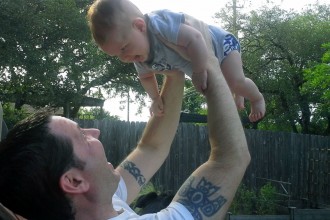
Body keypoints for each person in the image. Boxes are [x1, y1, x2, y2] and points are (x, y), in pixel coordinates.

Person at [0, 50, 250, 219]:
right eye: (82, 136)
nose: (95, 132)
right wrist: (204, 56)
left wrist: (173, 72)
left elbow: (151, 148)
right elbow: (231, 159)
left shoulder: (101, 202)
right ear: (74, 182)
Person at [87, 0, 265, 122]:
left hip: (220, 43)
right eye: (117, 55)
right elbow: (146, 77)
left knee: (235, 81)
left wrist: (198, 71)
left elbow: (195, 38)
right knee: (217, 87)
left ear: (140, 26)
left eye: (124, 48)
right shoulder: (138, 56)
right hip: (206, 60)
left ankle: (256, 98)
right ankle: (237, 92)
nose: (124, 57)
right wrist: (155, 98)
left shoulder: (160, 26)